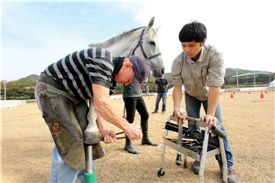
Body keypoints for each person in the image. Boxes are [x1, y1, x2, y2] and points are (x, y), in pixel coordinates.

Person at [35, 48, 144, 183]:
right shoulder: (103, 59)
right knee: (71, 143)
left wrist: (102, 129)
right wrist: (127, 127)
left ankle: (88, 180)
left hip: (74, 97)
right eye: (131, 80)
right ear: (128, 65)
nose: (128, 84)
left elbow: (95, 103)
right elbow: (101, 104)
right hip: (51, 89)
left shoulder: (112, 82)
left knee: (90, 140)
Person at [171, 21, 238, 183]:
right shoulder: (178, 61)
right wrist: (177, 108)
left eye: (191, 45)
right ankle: (199, 157)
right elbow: (178, 87)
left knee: (217, 127)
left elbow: (215, 86)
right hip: (191, 95)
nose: (186, 50)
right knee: (193, 128)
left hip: (210, 96)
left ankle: (227, 165)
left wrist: (210, 114)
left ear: (203, 42)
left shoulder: (215, 56)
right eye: (183, 45)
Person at [114, 56, 158, 154]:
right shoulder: (127, 66)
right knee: (130, 119)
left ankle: (145, 139)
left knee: (145, 115)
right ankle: (128, 144)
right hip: (129, 95)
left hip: (138, 94)